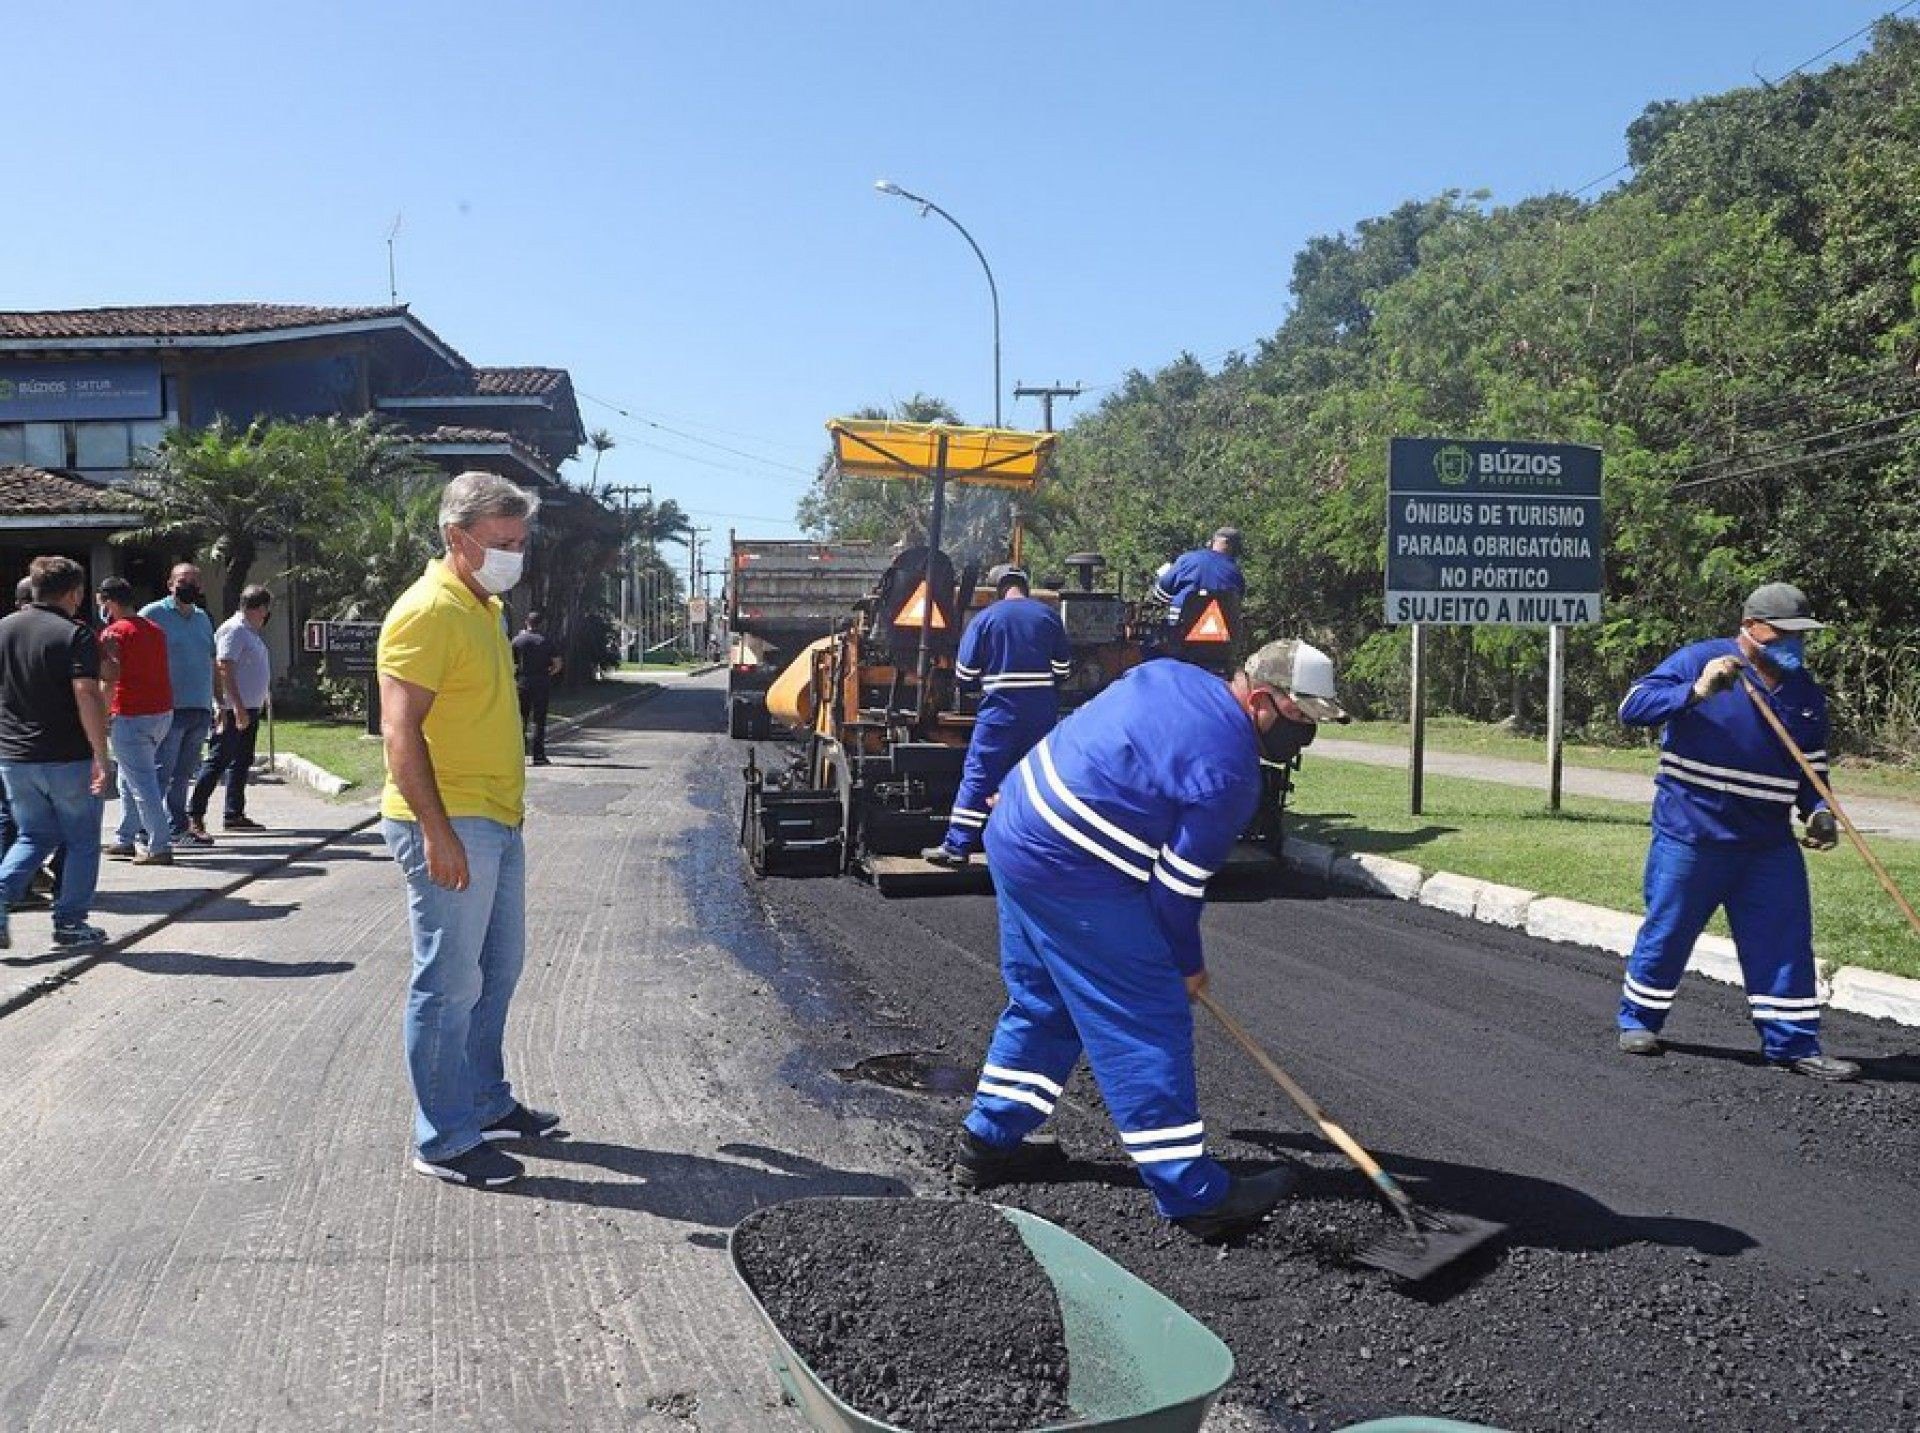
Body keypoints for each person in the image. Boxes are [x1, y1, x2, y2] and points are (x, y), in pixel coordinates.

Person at [953, 639, 1344, 1241]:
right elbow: (1174, 896)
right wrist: (1185, 967)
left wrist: (1025, 787)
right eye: (1301, 721)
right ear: (1263, 701)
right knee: (1146, 1016)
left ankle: (988, 1141)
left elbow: (1079, 729)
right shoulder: (1232, 774)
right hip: (1070, 868)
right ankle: (1192, 1193)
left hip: (1016, 826)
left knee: (1046, 1002)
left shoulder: (1169, 674)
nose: (1307, 738)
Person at [379, 471, 560, 1189]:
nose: (516, 555)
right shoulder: (427, 611)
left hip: (497, 819)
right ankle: (444, 1138)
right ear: (458, 538)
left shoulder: (480, 605)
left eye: (521, 542)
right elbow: (399, 732)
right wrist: (437, 831)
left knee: (498, 971)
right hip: (449, 819)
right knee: (448, 985)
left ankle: (484, 1100)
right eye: (503, 542)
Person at [1615, 581, 1858, 1082]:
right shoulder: (1701, 659)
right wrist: (1697, 691)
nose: (1796, 645)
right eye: (1785, 634)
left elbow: (1811, 770)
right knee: (1670, 929)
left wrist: (1818, 812)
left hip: (1766, 844)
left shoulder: (1805, 693)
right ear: (1751, 628)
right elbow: (1632, 707)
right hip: (1693, 833)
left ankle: (1793, 1044)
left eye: (1801, 635)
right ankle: (1639, 1020)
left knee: (1785, 938)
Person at [922, 564, 1072, 869]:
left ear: (998, 590)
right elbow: (1063, 671)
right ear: (1026, 587)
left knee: (980, 775)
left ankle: (957, 847)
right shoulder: (1048, 617)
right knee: (1039, 779)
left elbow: (965, 674)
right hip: (1041, 714)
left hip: (999, 713)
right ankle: (1040, 850)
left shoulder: (985, 619)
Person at [0, 557, 111, 951]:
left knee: (34, 834)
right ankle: (70, 923)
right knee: (80, 839)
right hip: (66, 755)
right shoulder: (75, 634)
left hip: (14, 757)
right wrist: (102, 753)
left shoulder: (5, 628)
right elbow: (86, 693)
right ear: (73, 593)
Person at [96, 577, 176, 866]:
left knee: (142, 783)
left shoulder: (113, 634)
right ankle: (125, 837)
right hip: (161, 712)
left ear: (110, 602)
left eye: (102, 602)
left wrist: (101, 717)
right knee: (128, 777)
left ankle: (159, 845)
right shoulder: (155, 630)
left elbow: (108, 681)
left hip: (131, 714)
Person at [140, 564, 218, 847]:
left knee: (184, 774)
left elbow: (211, 660)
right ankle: (146, 828)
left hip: (199, 707)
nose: (190, 586)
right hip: (167, 708)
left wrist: (218, 702)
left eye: (196, 581)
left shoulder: (203, 619)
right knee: (162, 771)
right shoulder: (152, 614)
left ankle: (177, 827)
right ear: (170, 584)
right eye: (184, 581)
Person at [187, 585, 273, 833]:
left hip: (250, 707)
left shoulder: (250, 631)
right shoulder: (234, 629)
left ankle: (234, 813)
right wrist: (235, 707)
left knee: (242, 761)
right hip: (235, 709)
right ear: (260, 608)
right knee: (218, 760)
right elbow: (224, 667)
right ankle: (194, 814)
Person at [1150, 526, 1247, 625]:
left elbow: (1162, 591)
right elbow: (1236, 601)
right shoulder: (1236, 573)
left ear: (1212, 541)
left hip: (1180, 626)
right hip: (1220, 628)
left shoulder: (1186, 559)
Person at [510, 610, 562, 767]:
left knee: (520, 719)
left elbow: (510, 663)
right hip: (541, 682)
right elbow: (557, 664)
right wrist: (549, 673)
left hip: (522, 682)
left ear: (527, 622)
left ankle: (517, 755)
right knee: (539, 720)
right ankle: (538, 755)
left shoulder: (517, 641)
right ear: (541, 624)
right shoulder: (546, 641)